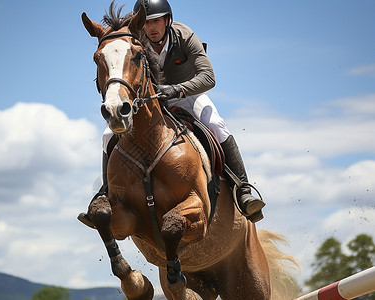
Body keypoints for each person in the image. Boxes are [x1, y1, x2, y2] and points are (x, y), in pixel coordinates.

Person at [78, 0, 265, 228]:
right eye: (147, 23)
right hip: (148, 100)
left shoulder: (183, 35)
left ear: (167, 20)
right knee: (108, 135)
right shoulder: (134, 40)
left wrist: (176, 89)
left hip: (187, 94)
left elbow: (208, 77)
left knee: (215, 123)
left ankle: (244, 191)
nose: (151, 28)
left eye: (156, 21)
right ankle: (105, 193)